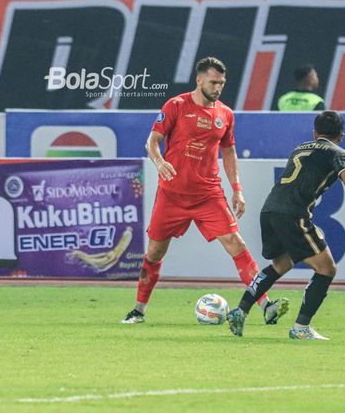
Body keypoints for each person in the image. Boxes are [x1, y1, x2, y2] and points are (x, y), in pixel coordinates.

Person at [122, 57, 289, 325]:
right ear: (199, 80)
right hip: (172, 195)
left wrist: (237, 189)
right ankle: (138, 310)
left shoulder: (225, 114)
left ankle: (266, 305)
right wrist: (160, 161)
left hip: (208, 195)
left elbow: (229, 151)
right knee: (154, 252)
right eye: (213, 82)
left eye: (222, 83)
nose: (218, 87)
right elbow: (152, 142)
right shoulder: (176, 106)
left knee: (237, 244)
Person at [227, 110, 345, 340]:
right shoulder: (339, 153)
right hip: (293, 214)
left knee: (281, 263)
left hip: (269, 210)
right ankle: (301, 328)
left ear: (315, 133)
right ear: (341, 136)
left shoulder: (301, 148)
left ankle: (241, 310)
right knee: (327, 269)